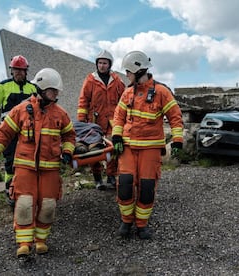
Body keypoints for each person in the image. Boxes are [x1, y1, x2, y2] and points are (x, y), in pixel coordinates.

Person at [0, 68, 76, 257]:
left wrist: (67, 151)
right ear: (41, 88)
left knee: (48, 206)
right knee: (25, 204)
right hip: (25, 167)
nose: (56, 94)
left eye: (57, 91)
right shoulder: (21, 111)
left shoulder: (60, 114)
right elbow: (4, 133)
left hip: (50, 168)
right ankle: (24, 243)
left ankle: (41, 240)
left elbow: (70, 136)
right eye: (53, 90)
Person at [112, 51, 184, 239]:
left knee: (146, 187)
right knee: (125, 185)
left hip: (150, 149)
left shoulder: (161, 92)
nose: (126, 75)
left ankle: (142, 224)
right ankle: (126, 221)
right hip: (128, 147)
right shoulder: (128, 92)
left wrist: (177, 140)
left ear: (137, 69)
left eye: (128, 71)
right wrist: (117, 137)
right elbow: (118, 117)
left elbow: (175, 117)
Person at [0, 55, 37, 206]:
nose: (19, 73)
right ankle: (10, 188)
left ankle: (28, 188)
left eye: (22, 70)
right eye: (16, 70)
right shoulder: (3, 86)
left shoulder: (32, 88)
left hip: (28, 130)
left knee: (29, 159)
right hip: (9, 130)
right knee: (11, 160)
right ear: (11, 71)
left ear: (26, 71)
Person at [77, 49, 125, 190]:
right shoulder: (90, 80)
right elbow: (83, 100)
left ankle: (111, 177)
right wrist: (81, 122)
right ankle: (98, 179)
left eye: (104, 63)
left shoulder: (117, 81)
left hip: (112, 122)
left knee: (112, 149)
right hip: (94, 122)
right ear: (96, 64)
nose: (102, 66)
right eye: (100, 63)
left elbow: (124, 100)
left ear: (109, 65)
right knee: (95, 150)